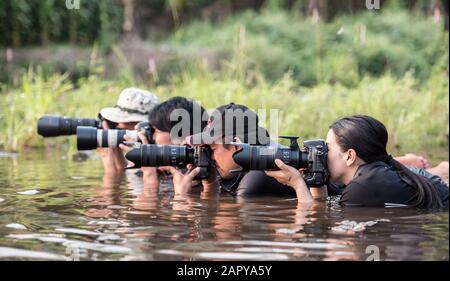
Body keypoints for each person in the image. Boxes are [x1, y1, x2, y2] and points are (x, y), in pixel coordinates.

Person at [265, 115, 449, 209]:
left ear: (350, 156)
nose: (321, 153)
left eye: (327, 148)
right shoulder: (374, 173)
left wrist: (297, 184)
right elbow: (320, 210)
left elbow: (316, 221)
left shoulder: (363, 186)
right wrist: (316, 178)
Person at [119, 96, 209, 190]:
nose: (152, 137)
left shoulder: (194, 176)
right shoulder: (176, 169)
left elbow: (148, 204)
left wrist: (149, 174)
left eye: (156, 131)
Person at [96, 87, 159, 174]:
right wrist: (114, 148)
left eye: (125, 122)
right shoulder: (138, 149)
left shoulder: (158, 155)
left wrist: (107, 159)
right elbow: (125, 176)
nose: (118, 124)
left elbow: (116, 185)